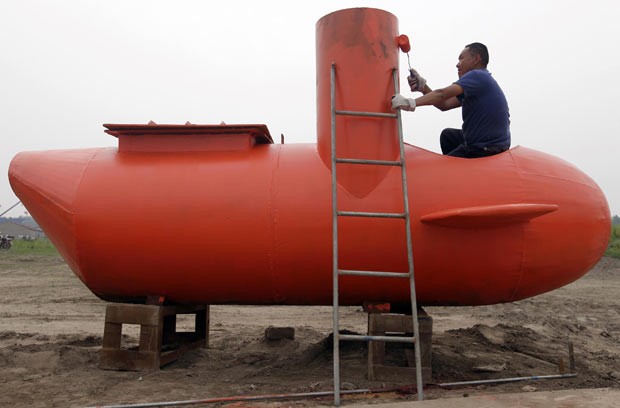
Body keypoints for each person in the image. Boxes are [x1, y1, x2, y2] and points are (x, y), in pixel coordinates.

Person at [391, 42, 510, 158]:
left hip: (487, 148)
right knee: (448, 136)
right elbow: (444, 104)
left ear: (476, 59)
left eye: (461, 59)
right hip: (490, 142)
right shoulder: (480, 83)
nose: (457, 65)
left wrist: (410, 103)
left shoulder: (477, 75)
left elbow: (442, 94)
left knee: (441, 169)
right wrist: (423, 88)